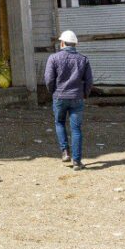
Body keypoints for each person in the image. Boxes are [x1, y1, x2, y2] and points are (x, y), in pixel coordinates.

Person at [44, 30, 94, 170]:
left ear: (62, 43)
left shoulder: (53, 58)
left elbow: (48, 79)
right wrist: (85, 94)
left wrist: (53, 92)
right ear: (75, 44)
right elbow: (89, 81)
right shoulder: (83, 59)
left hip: (59, 97)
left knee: (59, 123)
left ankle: (65, 152)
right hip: (77, 98)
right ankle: (77, 162)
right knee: (76, 129)